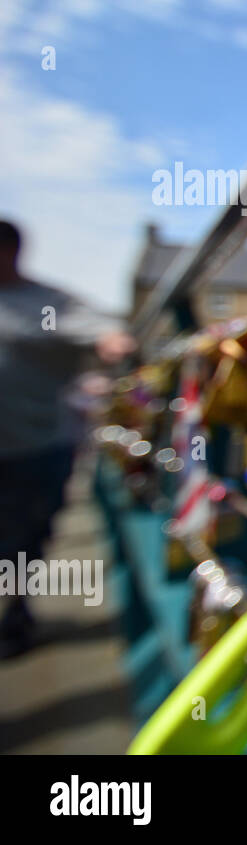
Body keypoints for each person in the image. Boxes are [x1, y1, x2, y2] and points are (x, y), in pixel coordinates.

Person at [0, 220, 135, 658]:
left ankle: (12, 619)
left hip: (35, 446)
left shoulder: (47, 304)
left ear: (11, 253)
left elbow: (99, 328)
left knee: (21, 537)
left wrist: (112, 341)